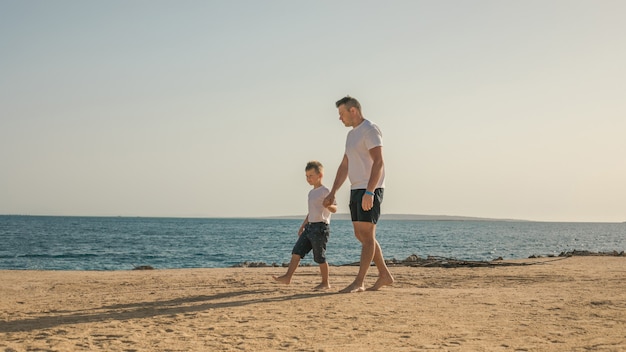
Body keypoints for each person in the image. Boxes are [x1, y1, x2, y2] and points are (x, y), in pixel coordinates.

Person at [323, 96, 394, 293]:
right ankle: (384, 275)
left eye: (341, 114)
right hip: (356, 188)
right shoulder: (351, 135)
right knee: (360, 235)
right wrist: (333, 191)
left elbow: (379, 162)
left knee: (368, 236)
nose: (340, 118)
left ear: (353, 110)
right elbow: (345, 165)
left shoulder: (370, 129)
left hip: (370, 188)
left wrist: (370, 191)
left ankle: (359, 282)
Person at [273, 161, 337, 291]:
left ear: (320, 175)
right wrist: (303, 225)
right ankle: (287, 277)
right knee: (297, 251)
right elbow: (311, 212)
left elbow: (335, 209)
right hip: (310, 227)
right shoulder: (311, 193)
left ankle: (325, 282)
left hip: (320, 228)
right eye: (307, 176)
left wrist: (328, 205)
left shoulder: (326, 191)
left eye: (311, 175)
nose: (308, 179)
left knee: (320, 257)